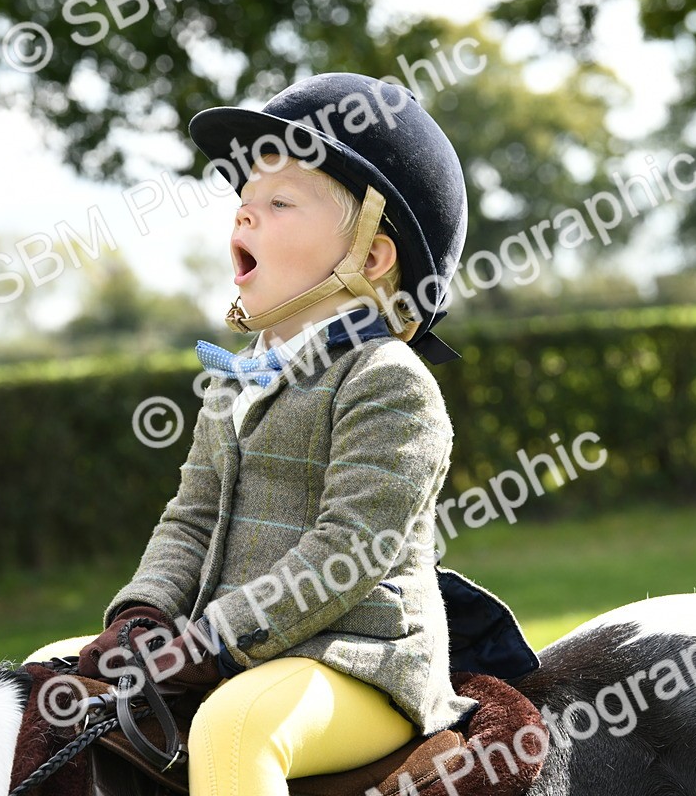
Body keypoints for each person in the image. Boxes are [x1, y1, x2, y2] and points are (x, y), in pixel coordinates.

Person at [30, 73, 538, 796]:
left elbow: (349, 548)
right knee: (51, 675)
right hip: (238, 652)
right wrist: (142, 616)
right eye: (242, 203)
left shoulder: (386, 380)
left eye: (277, 202)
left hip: (356, 663)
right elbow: (192, 517)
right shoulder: (237, 379)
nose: (244, 217)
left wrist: (208, 642)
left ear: (368, 258)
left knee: (236, 730)